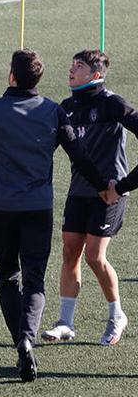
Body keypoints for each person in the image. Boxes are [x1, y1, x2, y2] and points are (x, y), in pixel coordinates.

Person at [0, 49, 109, 382]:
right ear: (37, 79)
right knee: (35, 280)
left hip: (3, 209)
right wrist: (104, 187)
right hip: (39, 208)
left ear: (12, 77)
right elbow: (80, 157)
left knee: (7, 276)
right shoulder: (54, 112)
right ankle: (28, 339)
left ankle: (21, 343)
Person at [42, 50, 133, 346]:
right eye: (71, 64)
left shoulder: (112, 104)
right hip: (78, 191)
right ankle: (66, 322)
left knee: (94, 256)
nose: (70, 70)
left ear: (95, 75)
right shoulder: (66, 107)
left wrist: (120, 186)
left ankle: (116, 315)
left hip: (109, 195)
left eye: (78, 67)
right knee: (70, 252)